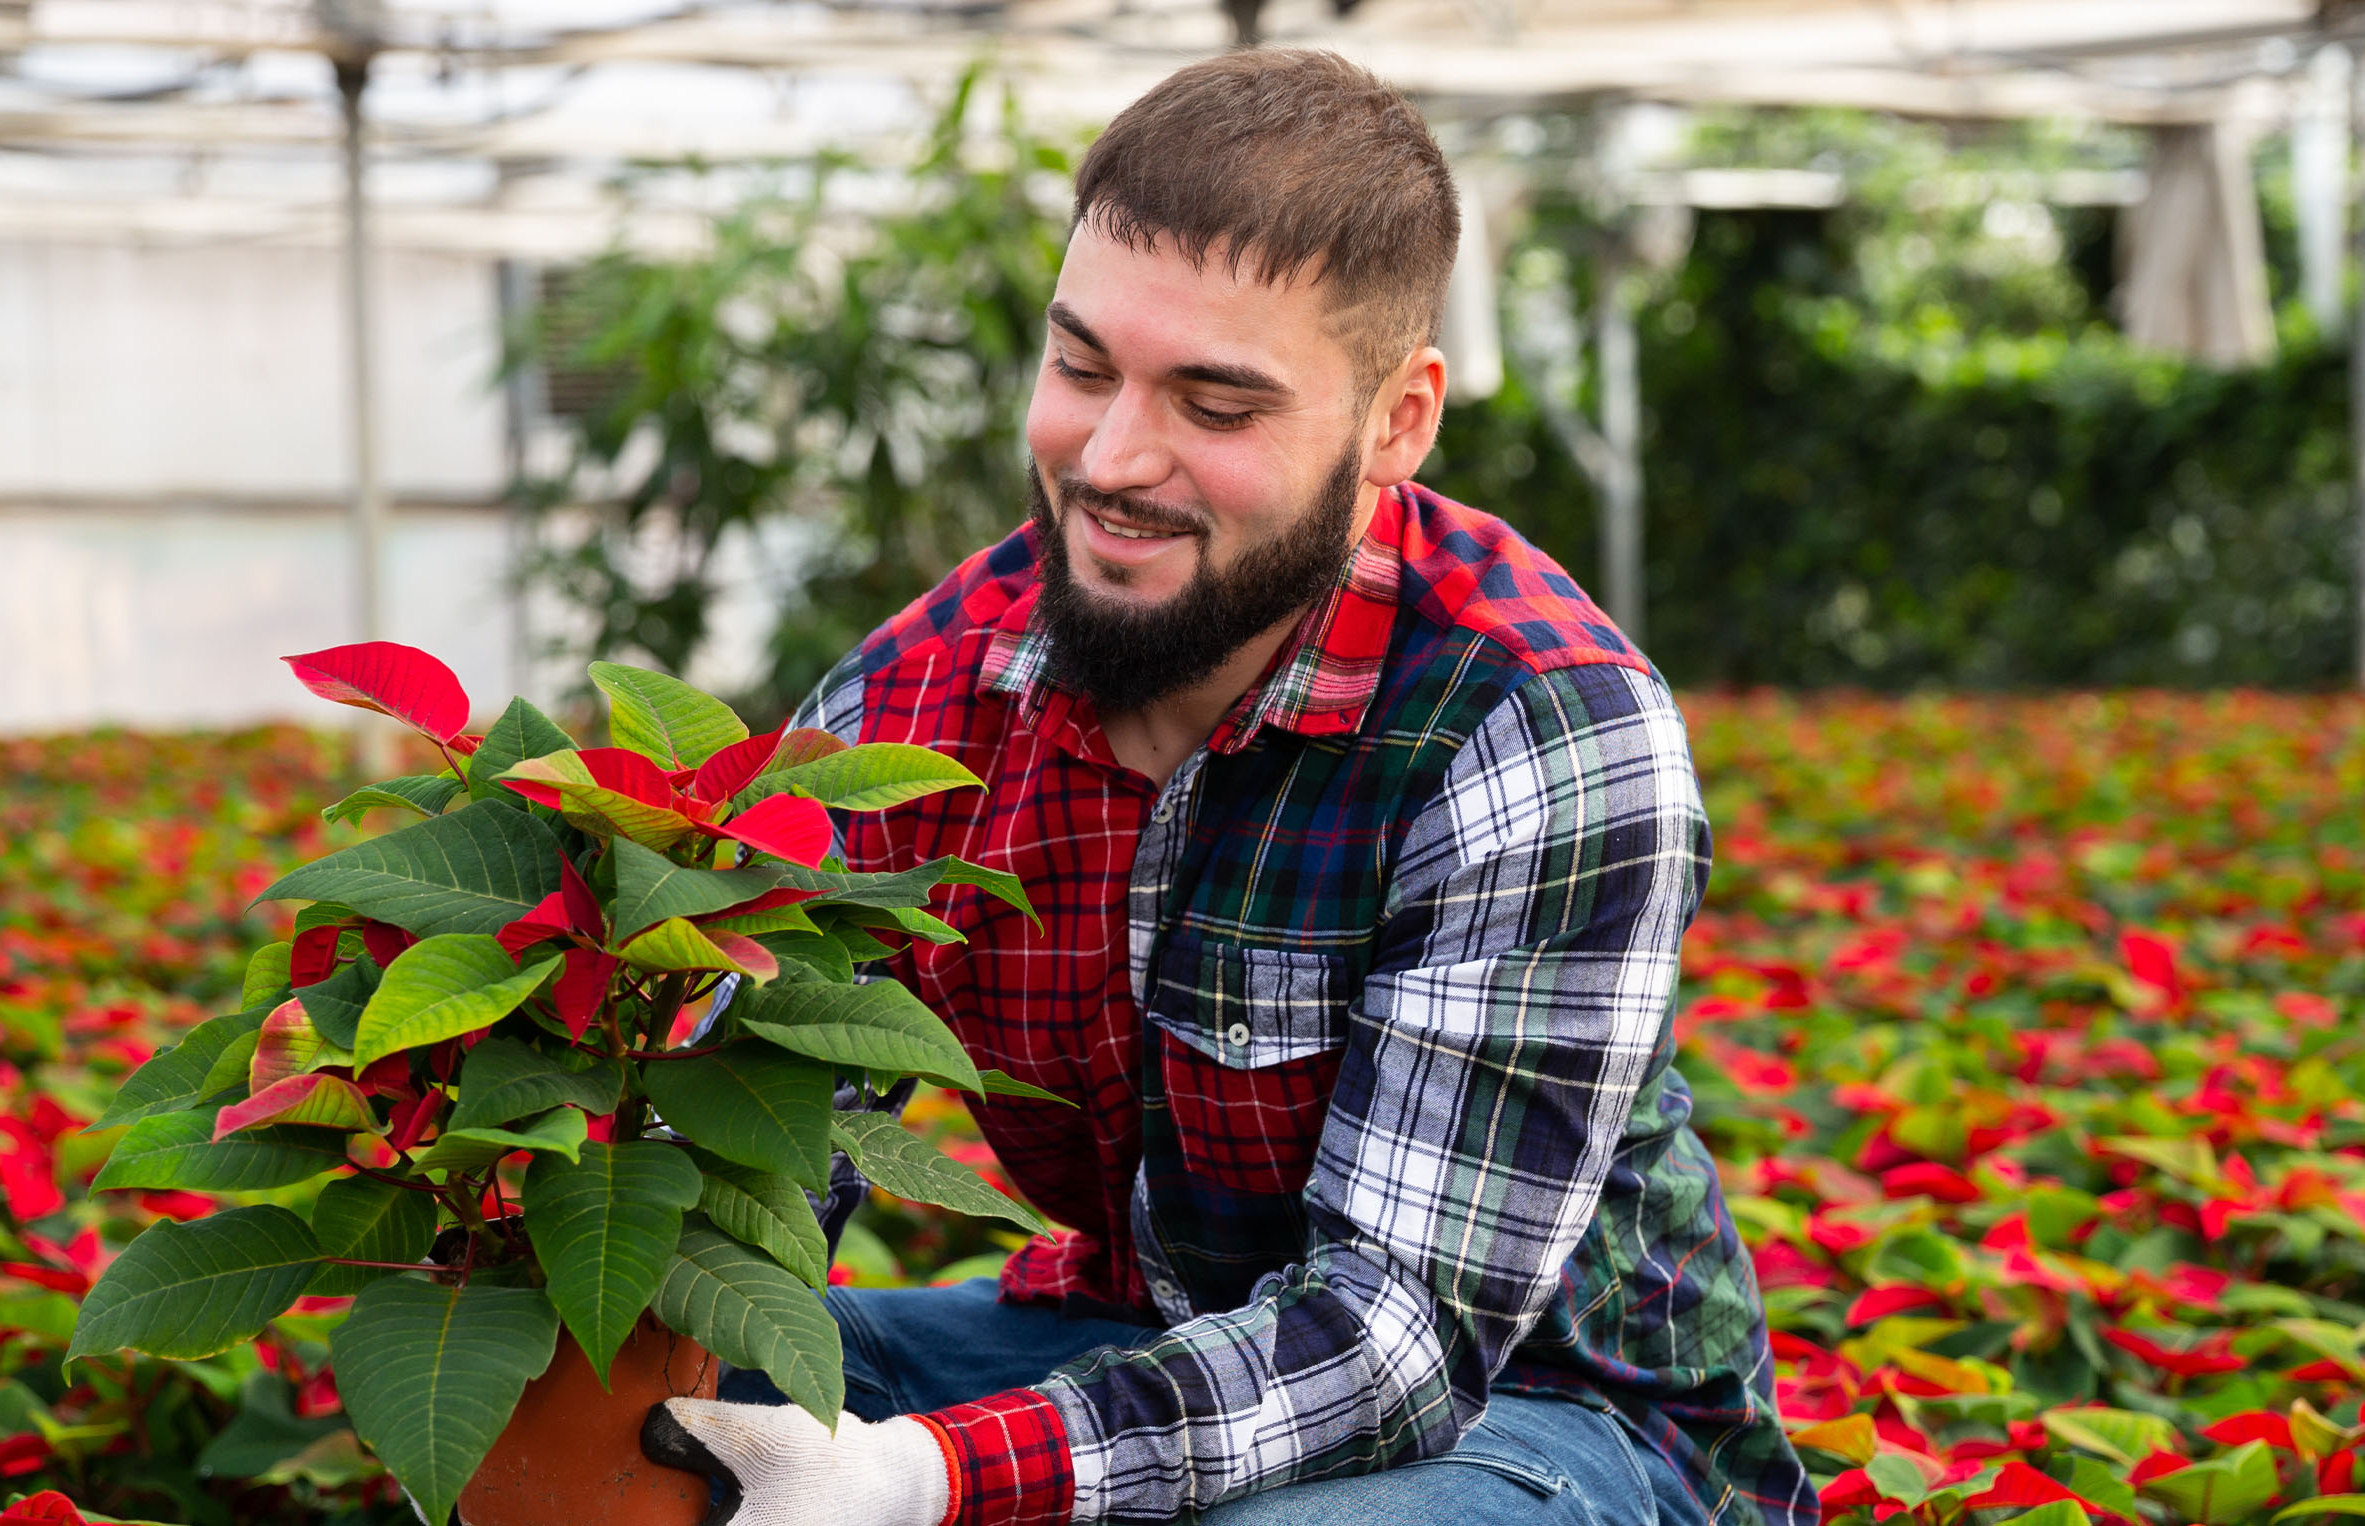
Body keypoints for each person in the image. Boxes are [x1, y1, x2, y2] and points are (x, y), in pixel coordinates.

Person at [644, 48, 1812, 1526]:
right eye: (1082, 366)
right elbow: (738, 1144)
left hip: (1548, 1417)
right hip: (1148, 1341)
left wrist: (929, 1473)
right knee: (669, 1411)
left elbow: (1399, 1343)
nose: (1113, 457)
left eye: (1217, 402)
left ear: (1397, 421)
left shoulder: (1533, 725)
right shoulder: (924, 696)